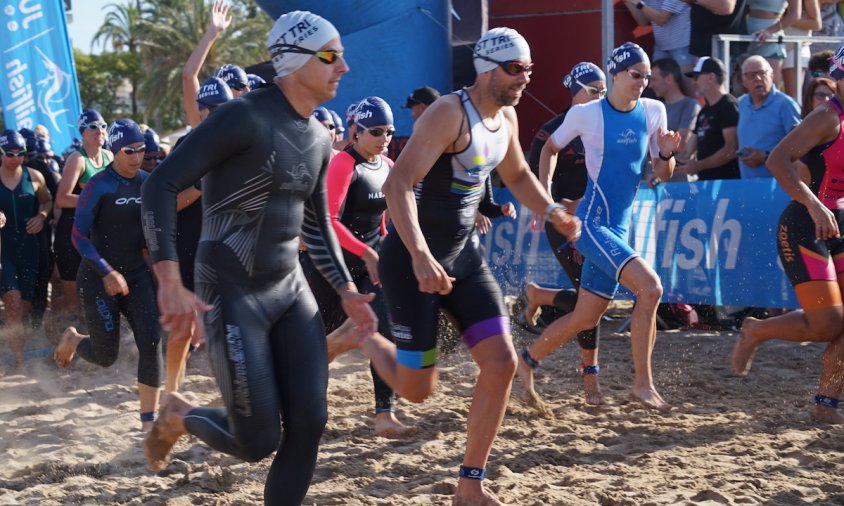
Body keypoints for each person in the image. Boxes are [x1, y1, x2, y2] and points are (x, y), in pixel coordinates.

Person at [141, 12, 376, 506]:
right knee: (258, 441)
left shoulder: (317, 136)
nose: (345, 67)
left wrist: (347, 291)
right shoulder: (242, 116)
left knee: (310, 423)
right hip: (232, 289)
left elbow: (315, 223)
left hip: (289, 290)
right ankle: (180, 414)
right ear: (293, 61)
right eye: (331, 56)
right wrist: (168, 278)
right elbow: (159, 185)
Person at [350, 27, 581, 506]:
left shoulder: (510, 118)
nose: (525, 78)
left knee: (502, 362)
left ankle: (470, 484)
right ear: (487, 69)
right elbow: (398, 186)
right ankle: (365, 337)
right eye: (516, 68)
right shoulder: (449, 113)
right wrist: (419, 255)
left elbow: (515, 174)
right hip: (413, 259)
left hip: (461, 256)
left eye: (529, 69)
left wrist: (552, 210)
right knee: (417, 390)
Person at [517, 42, 680, 415]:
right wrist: (548, 201)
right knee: (651, 288)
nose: (642, 83)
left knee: (586, 317)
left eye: (647, 77)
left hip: (620, 227)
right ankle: (643, 385)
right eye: (635, 75)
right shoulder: (587, 114)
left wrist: (668, 154)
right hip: (590, 224)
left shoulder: (654, 111)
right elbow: (548, 149)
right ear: (617, 74)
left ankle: (526, 361)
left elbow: (660, 175)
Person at [732, 43, 844, 424]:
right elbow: (778, 159)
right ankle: (757, 330)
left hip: (839, 221)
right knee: (827, 323)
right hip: (804, 221)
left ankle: (825, 406)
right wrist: (815, 205)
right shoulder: (827, 117)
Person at [303, 96, 414, 438]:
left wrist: (386, 249)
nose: (384, 138)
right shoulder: (343, 165)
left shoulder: (388, 166)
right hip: (331, 265)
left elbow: (382, 221)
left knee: (381, 328)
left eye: (389, 132)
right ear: (355, 132)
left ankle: (385, 413)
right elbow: (330, 221)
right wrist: (367, 251)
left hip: (369, 264)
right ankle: (301, 410)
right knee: (315, 345)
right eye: (376, 132)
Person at [53, 120, 163, 430]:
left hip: (136, 274)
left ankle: (147, 424)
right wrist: (107, 271)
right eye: (130, 150)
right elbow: (78, 235)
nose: (137, 157)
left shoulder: (147, 182)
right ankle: (74, 339)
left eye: (142, 150)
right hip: (98, 276)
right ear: (114, 150)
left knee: (152, 342)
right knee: (105, 356)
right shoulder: (99, 185)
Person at [520, 62, 608, 405]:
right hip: (566, 222)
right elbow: (532, 171)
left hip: (599, 220)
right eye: (594, 91)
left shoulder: (606, 124)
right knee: (590, 300)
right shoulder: (554, 129)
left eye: (604, 91)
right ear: (576, 93)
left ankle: (540, 295)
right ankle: (590, 380)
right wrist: (547, 207)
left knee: (594, 301)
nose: (601, 97)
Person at [53, 109, 112, 328]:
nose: (100, 131)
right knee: (73, 299)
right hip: (71, 232)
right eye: (94, 127)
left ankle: (92, 338)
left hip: (96, 232)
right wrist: (94, 200)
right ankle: (51, 322)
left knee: (98, 288)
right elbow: (61, 199)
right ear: (83, 133)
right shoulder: (76, 160)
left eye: (103, 126)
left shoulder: (110, 157)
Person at [0, 130, 52, 371]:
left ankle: (13, 344)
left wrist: (41, 216)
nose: (15, 158)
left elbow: (47, 201)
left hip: (29, 249)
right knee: (13, 301)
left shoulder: (34, 176)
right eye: (9, 153)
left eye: (20, 153)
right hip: (4, 250)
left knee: (26, 306)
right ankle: (19, 360)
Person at [737, 55, 802, 178]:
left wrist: (766, 156)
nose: (757, 78)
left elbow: (800, 144)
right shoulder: (741, 104)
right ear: (743, 81)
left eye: (762, 73)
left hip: (779, 185)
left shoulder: (786, 104)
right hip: (746, 184)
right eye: (751, 75)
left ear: (772, 76)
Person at [679, 56, 741, 179]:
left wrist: (698, 166)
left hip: (727, 185)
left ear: (711, 77)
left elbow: (731, 149)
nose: (693, 82)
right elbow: (687, 153)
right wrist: (661, 171)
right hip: (706, 184)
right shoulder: (704, 111)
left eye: (696, 77)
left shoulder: (729, 106)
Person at [648, 57, 701, 182]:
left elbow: (681, 144)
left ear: (669, 79)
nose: (650, 85)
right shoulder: (655, 110)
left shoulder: (691, 106)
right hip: (654, 183)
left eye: (654, 80)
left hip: (680, 184)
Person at [181, 0, 232, 129]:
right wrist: (212, 33)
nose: (216, 113)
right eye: (210, 107)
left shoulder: (248, 127)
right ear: (202, 112)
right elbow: (188, 76)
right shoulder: (202, 128)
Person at [623, 0, 694, 73]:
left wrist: (638, 3)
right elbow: (643, 21)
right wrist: (628, 2)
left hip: (681, 47)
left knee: (686, 81)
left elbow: (661, 19)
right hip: (660, 47)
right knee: (657, 81)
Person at [745, 0, 802, 85]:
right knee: (746, 84)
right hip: (746, 35)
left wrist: (769, 31)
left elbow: (795, 15)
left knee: (768, 84)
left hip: (771, 38)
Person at [782, 0, 822, 98]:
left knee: (793, 98)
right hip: (767, 44)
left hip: (795, 47)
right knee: (766, 96)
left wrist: (786, 19)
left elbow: (816, 24)